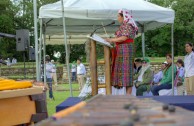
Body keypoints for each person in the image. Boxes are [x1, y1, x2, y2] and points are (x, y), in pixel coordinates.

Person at [105, 9, 138, 94]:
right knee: (124, 75)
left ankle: (127, 98)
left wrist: (111, 40)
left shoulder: (127, 25)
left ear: (124, 16)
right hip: (122, 51)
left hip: (125, 51)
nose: (117, 18)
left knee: (127, 75)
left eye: (118, 16)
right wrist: (113, 40)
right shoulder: (124, 25)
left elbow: (124, 38)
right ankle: (126, 98)